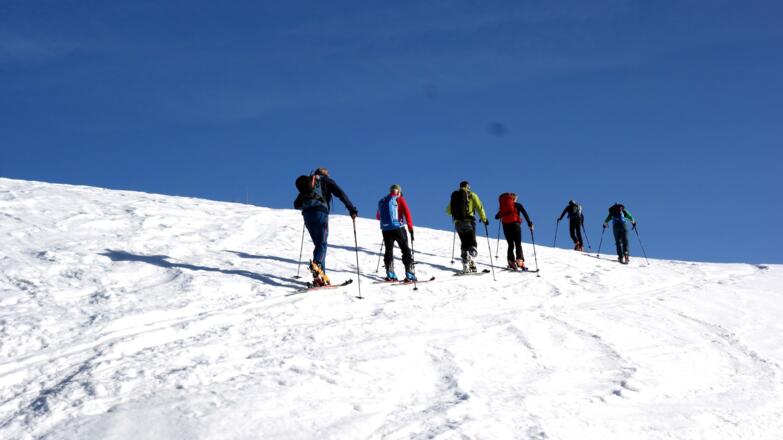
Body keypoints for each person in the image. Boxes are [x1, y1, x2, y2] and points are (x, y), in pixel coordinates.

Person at [294, 167, 358, 286]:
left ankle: (320, 278)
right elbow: (341, 194)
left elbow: (296, 204)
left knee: (319, 245)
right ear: (325, 174)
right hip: (320, 213)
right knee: (322, 244)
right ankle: (317, 264)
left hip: (307, 215)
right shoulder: (325, 180)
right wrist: (351, 209)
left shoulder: (309, 182)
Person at [446, 181, 488, 273]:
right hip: (469, 221)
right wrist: (484, 219)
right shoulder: (472, 195)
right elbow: (479, 207)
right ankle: (472, 263)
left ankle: (465, 265)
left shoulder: (455, 196)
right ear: (468, 186)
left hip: (458, 223)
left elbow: (448, 211)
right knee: (472, 243)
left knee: (464, 243)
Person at [376, 184, 416, 282]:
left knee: (388, 250)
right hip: (398, 228)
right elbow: (407, 213)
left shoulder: (384, 201)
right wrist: (410, 228)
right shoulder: (400, 199)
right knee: (405, 249)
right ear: (399, 191)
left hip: (386, 229)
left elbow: (378, 216)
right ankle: (410, 274)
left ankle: (390, 274)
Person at [495, 193, 534, 270]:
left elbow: (496, 217)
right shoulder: (518, 205)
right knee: (518, 243)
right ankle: (519, 261)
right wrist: (530, 224)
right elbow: (525, 214)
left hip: (506, 226)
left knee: (510, 244)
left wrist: (502, 212)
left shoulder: (503, 208)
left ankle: (511, 262)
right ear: (514, 198)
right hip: (516, 225)